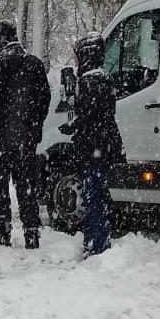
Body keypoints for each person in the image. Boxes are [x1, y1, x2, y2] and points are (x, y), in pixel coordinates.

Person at [0, 20, 51, 249]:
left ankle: (2, 231)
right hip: (25, 139)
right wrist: (35, 126)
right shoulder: (35, 64)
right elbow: (44, 99)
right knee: (26, 184)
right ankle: (31, 232)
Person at [58, 32, 125, 258]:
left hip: (92, 147)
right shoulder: (105, 79)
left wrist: (73, 125)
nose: (76, 63)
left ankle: (97, 243)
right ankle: (97, 238)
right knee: (99, 193)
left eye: (78, 58)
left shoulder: (88, 82)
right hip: (106, 145)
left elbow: (87, 116)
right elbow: (100, 114)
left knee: (92, 195)